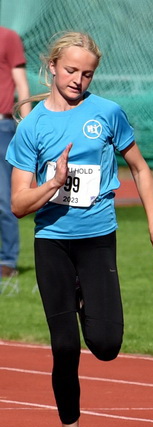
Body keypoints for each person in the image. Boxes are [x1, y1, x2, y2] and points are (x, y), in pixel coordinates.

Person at [7, 31, 153, 427]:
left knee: (105, 345)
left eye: (87, 74)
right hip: (52, 244)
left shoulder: (107, 113)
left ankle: (86, 294)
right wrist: (52, 184)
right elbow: (16, 205)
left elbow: (141, 170)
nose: (78, 80)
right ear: (51, 67)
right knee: (65, 346)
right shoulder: (32, 128)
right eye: (71, 70)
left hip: (98, 239)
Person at [0, 27, 31, 279]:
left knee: (4, 198)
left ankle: (7, 261)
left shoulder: (8, 37)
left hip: (2, 126)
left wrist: (28, 128)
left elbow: (21, 82)